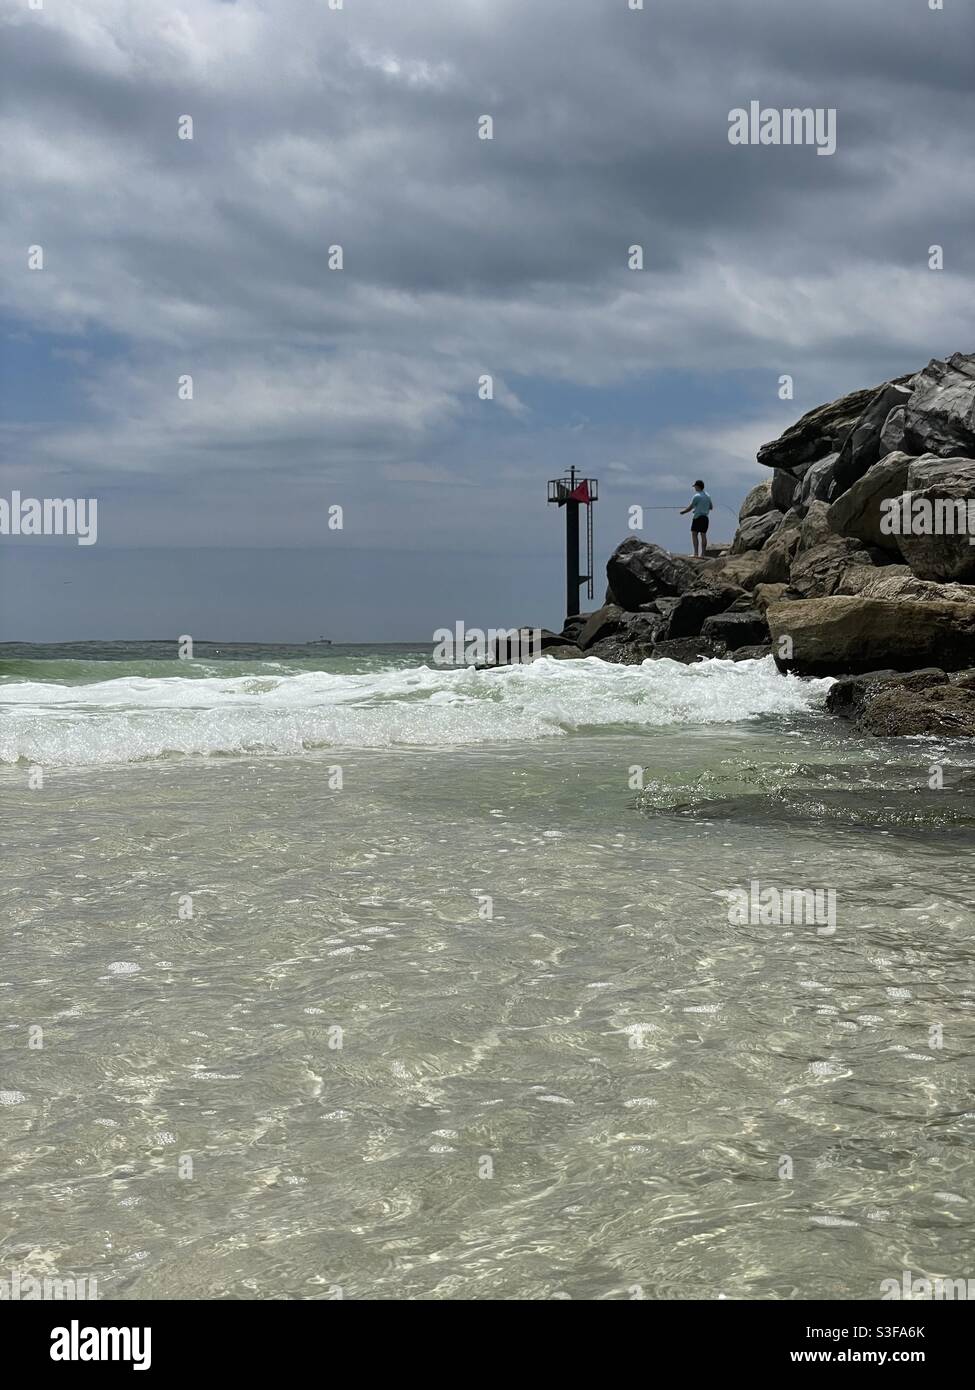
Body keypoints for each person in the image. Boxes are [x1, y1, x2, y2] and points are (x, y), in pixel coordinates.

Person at [680, 480, 713, 557]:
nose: (694, 488)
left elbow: (690, 507)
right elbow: (711, 507)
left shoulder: (697, 496)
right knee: (703, 535)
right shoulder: (708, 496)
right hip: (705, 518)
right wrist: (700, 508)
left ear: (698, 486)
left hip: (698, 517)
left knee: (694, 534)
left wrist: (683, 512)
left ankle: (695, 553)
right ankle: (703, 554)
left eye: (695, 486)